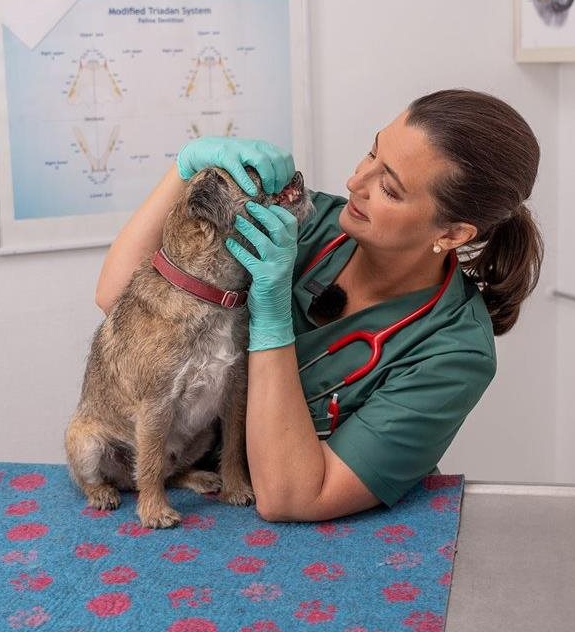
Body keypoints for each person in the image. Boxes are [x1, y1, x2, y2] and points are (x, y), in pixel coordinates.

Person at [94, 89, 543, 523]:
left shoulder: (455, 353)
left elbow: (291, 498)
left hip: (337, 544)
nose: (355, 183)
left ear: (453, 234)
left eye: (389, 188)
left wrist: (272, 321)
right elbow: (118, 298)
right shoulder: (307, 223)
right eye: (372, 153)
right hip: (205, 496)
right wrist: (186, 166)